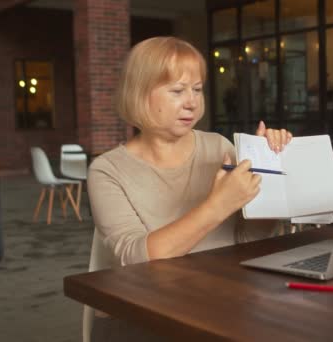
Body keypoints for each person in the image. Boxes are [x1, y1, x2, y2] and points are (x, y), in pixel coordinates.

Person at [86, 36, 292, 341]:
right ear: (140, 94)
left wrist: (270, 176)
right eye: (177, 91)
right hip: (149, 311)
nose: (191, 102)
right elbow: (136, 258)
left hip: (223, 298)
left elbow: (248, 238)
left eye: (197, 89)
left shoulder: (218, 147)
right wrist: (218, 204)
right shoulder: (107, 170)